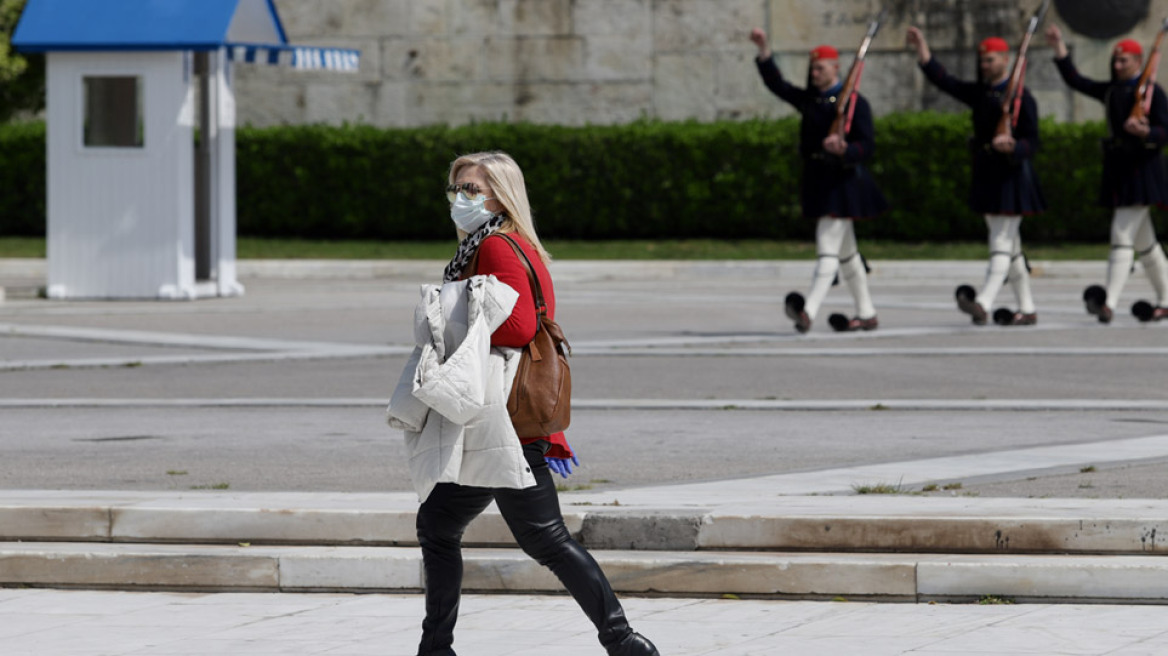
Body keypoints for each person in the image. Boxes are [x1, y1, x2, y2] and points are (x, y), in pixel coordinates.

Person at [410, 151, 659, 656]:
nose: (461, 198)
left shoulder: (497, 246)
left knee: (545, 538)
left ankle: (624, 641)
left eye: (473, 189)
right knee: (438, 524)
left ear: (501, 195)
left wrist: (454, 322)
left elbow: (520, 326)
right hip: (494, 417)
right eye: (456, 188)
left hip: (508, 419)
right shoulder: (500, 242)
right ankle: (435, 649)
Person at [750, 27, 888, 334]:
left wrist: (846, 149)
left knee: (827, 248)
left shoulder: (854, 103)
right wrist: (764, 53)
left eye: (820, 67)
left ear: (836, 69)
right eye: (812, 68)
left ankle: (809, 311)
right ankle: (866, 313)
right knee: (847, 254)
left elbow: (867, 146)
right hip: (818, 180)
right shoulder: (811, 101)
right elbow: (778, 85)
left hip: (842, 183)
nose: (814, 72)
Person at [906, 28, 1046, 326]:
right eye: (982, 61)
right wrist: (923, 52)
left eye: (990, 60)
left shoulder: (1023, 97)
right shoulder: (982, 93)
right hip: (988, 173)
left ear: (1006, 60)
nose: (985, 65)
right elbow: (945, 81)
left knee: (1001, 240)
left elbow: (1033, 141)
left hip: (1011, 175)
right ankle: (1027, 308)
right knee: (1011, 246)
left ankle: (984, 301)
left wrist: (1015, 146)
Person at [1047, 25, 1168, 323]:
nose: (1116, 65)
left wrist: (1147, 131)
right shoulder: (1112, 91)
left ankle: (1109, 303)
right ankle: (1166, 299)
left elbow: (1165, 131)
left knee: (1121, 233)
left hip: (1143, 169)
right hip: (1120, 168)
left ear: (1138, 62)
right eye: (1115, 61)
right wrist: (1059, 47)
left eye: (1123, 61)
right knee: (1145, 244)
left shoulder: (1153, 92)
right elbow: (1076, 80)